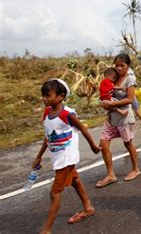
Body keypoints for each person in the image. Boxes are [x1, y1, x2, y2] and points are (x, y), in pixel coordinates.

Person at [32, 79, 100, 233]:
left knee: (55, 192)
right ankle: (88, 208)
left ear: (61, 96)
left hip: (66, 158)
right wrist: (39, 156)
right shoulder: (47, 113)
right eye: (42, 95)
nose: (44, 98)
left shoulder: (67, 114)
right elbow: (48, 136)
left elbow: (82, 128)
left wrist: (93, 146)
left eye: (47, 95)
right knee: (75, 180)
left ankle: (46, 230)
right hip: (58, 157)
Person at [96, 53, 141, 188]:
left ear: (128, 65)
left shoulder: (130, 79)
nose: (119, 68)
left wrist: (111, 104)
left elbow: (129, 99)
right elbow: (106, 92)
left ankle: (135, 169)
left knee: (128, 144)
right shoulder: (113, 77)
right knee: (103, 145)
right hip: (111, 117)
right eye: (117, 65)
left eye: (122, 65)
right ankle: (111, 175)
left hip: (124, 117)